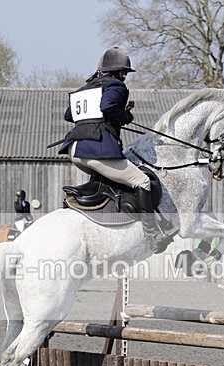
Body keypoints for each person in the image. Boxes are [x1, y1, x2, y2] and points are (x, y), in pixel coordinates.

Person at [58, 47, 168, 253]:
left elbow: (69, 115)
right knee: (142, 181)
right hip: (96, 150)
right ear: (117, 72)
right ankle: (152, 233)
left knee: (112, 178)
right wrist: (124, 117)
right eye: (124, 73)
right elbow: (108, 106)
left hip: (75, 150)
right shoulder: (116, 86)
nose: (125, 77)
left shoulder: (86, 88)